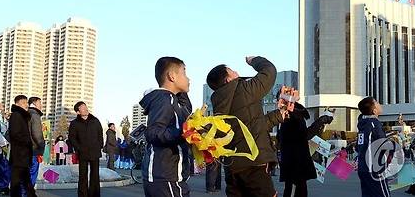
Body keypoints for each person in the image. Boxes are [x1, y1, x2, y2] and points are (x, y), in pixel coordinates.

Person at [207, 56, 286, 197]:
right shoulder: (243, 89)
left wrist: (278, 115)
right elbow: (269, 71)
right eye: (232, 72)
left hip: (233, 168)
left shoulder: (219, 105)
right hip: (254, 164)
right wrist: (254, 60)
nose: (237, 73)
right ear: (228, 80)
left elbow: (252, 127)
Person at [141, 56, 192, 197]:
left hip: (170, 176)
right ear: (172, 76)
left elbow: (187, 110)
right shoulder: (164, 99)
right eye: (184, 73)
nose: (188, 78)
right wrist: (184, 132)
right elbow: (153, 132)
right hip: (164, 177)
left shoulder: (174, 100)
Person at [278, 102, 333, 197]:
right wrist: (320, 121)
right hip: (296, 162)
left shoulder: (287, 121)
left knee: (296, 189)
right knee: (295, 189)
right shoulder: (293, 120)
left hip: (294, 162)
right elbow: (305, 135)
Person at [356, 96, 393, 197]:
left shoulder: (362, 124)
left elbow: (358, 146)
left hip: (363, 168)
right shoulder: (374, 124)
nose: (379, 103)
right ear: (374, 110)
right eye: (376, 102)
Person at [68, 101, 104, 197]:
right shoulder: (74, 123)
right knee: (83, 176)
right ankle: (83, 195)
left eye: (85, 107)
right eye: (82, 108)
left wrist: (99, 146)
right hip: (82, 152)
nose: (86, 109)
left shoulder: (95, 121)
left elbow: (100, 134)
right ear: (78, 112)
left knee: (95, 175)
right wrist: (78, 148)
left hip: (95, 152)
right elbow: (72, 138)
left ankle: (94, 194)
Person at [8, 95, 36, 197]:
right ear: (17, 104)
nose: (26, 105)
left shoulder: (22, 116)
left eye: (26, 102)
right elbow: (15, 134)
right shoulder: (16, 115)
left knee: (24, 179)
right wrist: (27, 142)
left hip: (22, 154)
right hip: (19, 154)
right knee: (17, 181)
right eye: (23, 102)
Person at [27, 97, 45, 188]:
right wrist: (41, 149)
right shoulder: (34, 115)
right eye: (40, 103)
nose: (41, 105)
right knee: (32, 172)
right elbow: (37, 135)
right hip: (33, 150)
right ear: (34, 103)